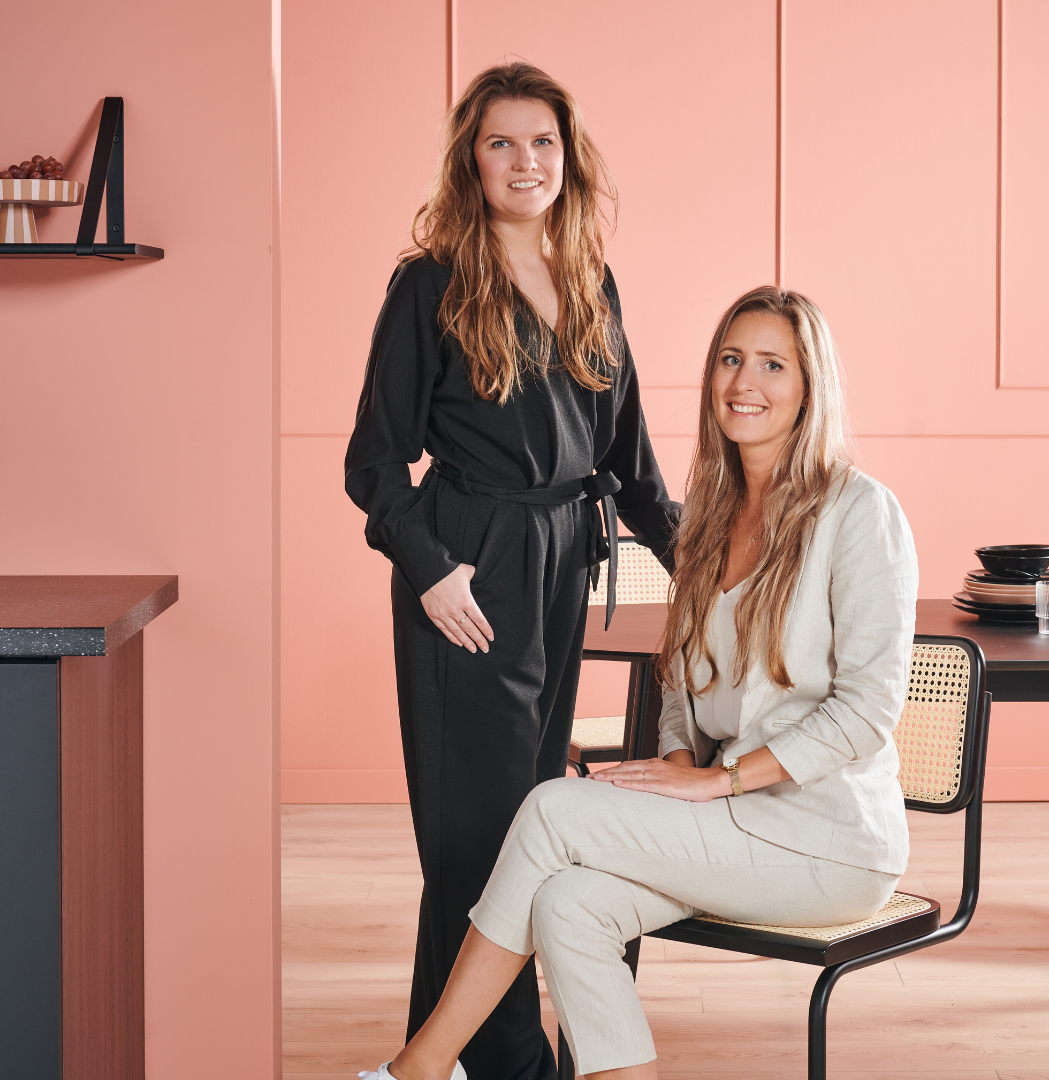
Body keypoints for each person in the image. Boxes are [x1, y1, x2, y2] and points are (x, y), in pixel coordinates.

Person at [359, 285, 919, 1080]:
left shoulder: (860, 513)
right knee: (569, 906)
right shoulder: (707, 524)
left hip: (832, 841)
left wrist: (719, 782)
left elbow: (866, 711)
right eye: (730, 359)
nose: (744, 382)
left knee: (551, 808)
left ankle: (419, 1069)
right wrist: (680, 767)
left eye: (773, 365)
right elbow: (682, 691)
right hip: (736, 823)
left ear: (810, 385)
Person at [344, 62, 680, 1080]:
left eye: (542, 142)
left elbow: (631, 465)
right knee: (479, 842)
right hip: (469, 573)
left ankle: (432, 1059)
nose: (524, 161)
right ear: (472, 160)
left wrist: (711, 572)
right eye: (501, 143)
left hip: (563, 563)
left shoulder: (592, 280)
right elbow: (373, 462)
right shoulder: (430, 284)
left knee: (521, 829)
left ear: (568, 158)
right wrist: (432, 571)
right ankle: (511, 1065)